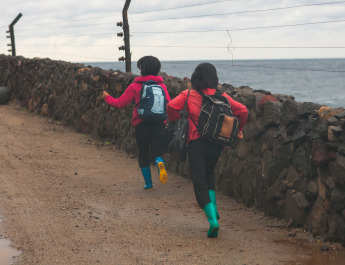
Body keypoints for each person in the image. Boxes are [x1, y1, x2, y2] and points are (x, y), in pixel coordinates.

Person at [167, 62, 248, 238]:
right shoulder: (223, 96)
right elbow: (243, 110)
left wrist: (176, 121)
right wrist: (238, 129)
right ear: (214, 78)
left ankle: (213, 221)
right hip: (217, 143)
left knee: (199, 181)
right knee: (210, 174)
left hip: (196, 142)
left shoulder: (188, 94)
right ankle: (214, 209)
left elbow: (172, 107)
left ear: (196, 76)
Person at [102, 56, 171, 190]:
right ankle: (159, 161)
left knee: (143, 152)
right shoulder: (161, 86)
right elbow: (169, 104)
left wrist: (107, 97)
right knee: (157, 152)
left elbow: (119, 103)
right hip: (159, 123)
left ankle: (148, 184)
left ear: (142, 69)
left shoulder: (135, 86)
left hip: (141, 124)